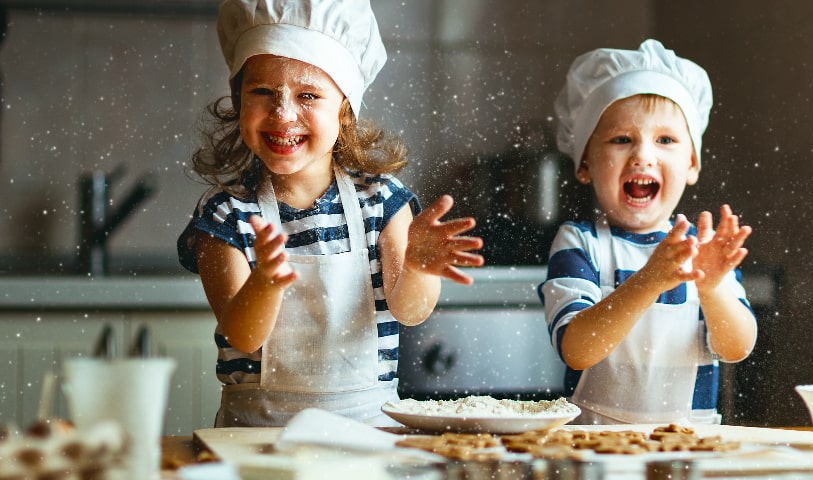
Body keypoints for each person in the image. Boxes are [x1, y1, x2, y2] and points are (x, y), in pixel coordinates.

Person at [177, 0, 484, 428]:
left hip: (369, 434)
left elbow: (409, 311)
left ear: (344, 109)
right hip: (257, 438)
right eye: (262, 92)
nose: (283, 114)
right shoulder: (226, 215)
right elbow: (243, 336)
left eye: (308, 95)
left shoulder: (382, 201)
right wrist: (265, 284)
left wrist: (416, 267)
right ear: (238, 99)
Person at [540, 39, 757, 425]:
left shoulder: (702, 251)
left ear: (692, 164)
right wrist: (648, 281)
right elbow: (576, 348)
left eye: (666, 140)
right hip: (593, 449)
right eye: (622, 139)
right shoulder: (580, 243)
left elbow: (737, 347)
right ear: (585, 161)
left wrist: (710, 288)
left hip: (689, 450)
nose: (643, 155)